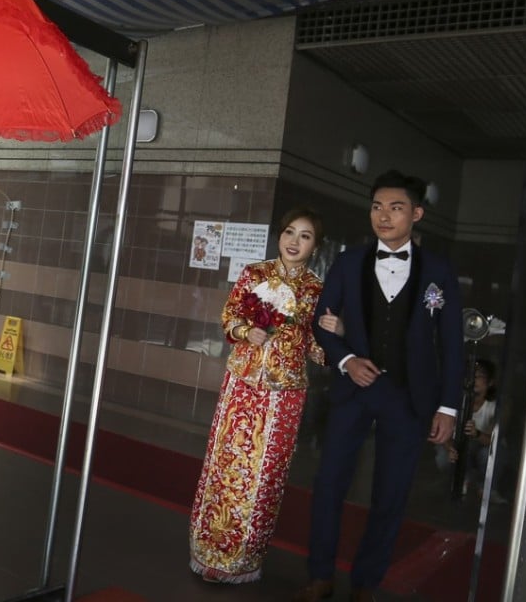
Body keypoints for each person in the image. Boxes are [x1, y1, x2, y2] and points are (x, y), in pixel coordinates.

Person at [293, 170, 464, 602]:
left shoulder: (439, 271)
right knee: (330, 482)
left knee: (390, 494)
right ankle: (320, 576)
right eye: (376, 207)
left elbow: (451, 342)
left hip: (407, 398)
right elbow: (321, 323)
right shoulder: (349, 261)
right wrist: (348, 360)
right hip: (353, 393)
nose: (383, 216)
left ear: (417, 214)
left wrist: (448, 407)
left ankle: (366, 583)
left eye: (396, 207)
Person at [189, 207, 340, 583]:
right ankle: (208, 551)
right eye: (290, 232)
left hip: (284, 393)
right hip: (242, 383)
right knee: (225, 465)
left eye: (305, 236)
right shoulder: (255, 274)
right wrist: (244, 332)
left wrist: (337, 333)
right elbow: (230, 316)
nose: (294, 241)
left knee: (264, 474)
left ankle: (244, 561)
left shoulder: (316, 291)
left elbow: (316, 349)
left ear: (315, 246)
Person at [442, 358, 508, 503]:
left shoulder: (496, 407)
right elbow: (445, 433)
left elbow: (493, 440)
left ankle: (488, 488)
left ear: (490, 382)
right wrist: (449, 448)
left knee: (487, 455)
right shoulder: (457, 403)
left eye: (480, 376)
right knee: (443, 457)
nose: (474, 379)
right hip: (467, 449)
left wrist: (476, 433)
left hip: (485, 450)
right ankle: (463, 481)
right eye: (471, 375)